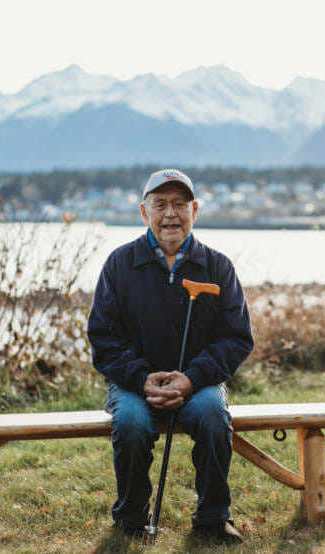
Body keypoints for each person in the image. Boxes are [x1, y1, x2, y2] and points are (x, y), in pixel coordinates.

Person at [87, 168, 253, 544]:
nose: (171, 214)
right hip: (133, 386)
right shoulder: (119, 265)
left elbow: (236, 337)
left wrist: (191, 378)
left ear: (195, 210)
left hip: (198, 385)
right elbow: (103, 337)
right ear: (144, 213)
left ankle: (213, 518)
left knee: (213, 415)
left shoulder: (218, 267)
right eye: (160, 204)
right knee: (129, 422)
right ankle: (131, 518)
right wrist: (141, 379)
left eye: (180, 204)